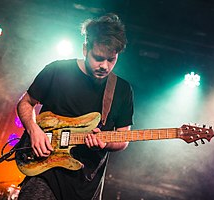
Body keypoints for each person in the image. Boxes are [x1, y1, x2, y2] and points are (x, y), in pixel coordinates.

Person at [16, 13, 134, 200]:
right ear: (85, 49)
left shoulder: (122, 89)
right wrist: (33, 130)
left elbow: (123, 137)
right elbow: (26, 102)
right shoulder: (57, 70)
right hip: (45, 172)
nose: (104, 65)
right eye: (98, 58)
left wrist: (105, 142)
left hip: (86, 182)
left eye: (111, 60)